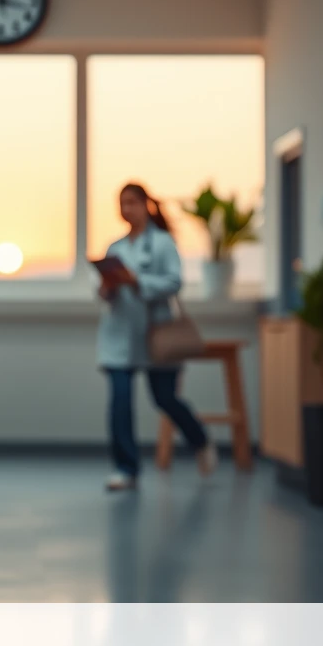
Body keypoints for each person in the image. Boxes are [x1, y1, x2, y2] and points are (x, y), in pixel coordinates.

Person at [95, 182, 217, 492]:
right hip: (120, 336)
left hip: (156, 336)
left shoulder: (163, 244)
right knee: (120, 403)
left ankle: (200, 439)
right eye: (122, 203)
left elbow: (174, 283)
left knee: (165, 399)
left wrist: (138, 281)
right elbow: (109, 294)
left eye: (133, 202)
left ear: (147, 205)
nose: (127, 209)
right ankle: (126, 468)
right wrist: (107, 289)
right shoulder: (116, 248)